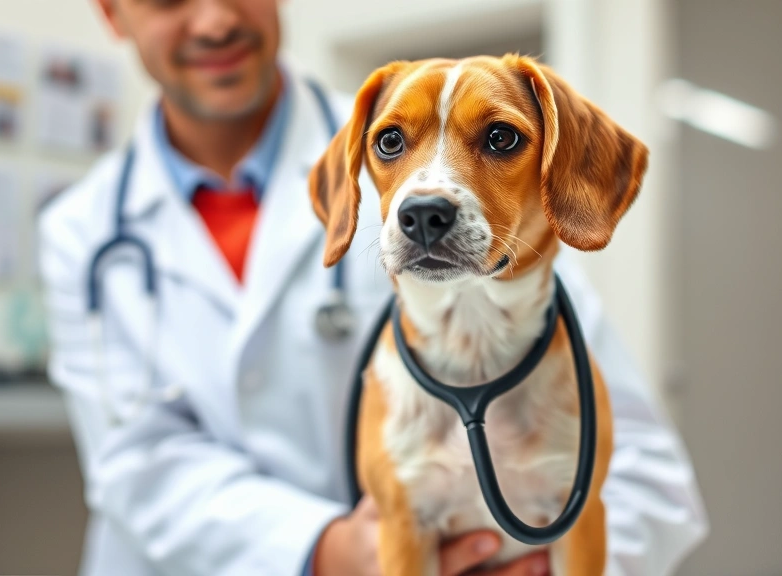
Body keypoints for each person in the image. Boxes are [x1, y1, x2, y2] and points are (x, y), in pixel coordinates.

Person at [38, 1, 708, 575]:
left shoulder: (517, 221)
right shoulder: (81, 230)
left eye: (499, 138)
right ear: (109, 11)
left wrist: (536, 562)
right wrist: (324, 549)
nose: (213, 20)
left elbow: (636, 469)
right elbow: (134, 462)